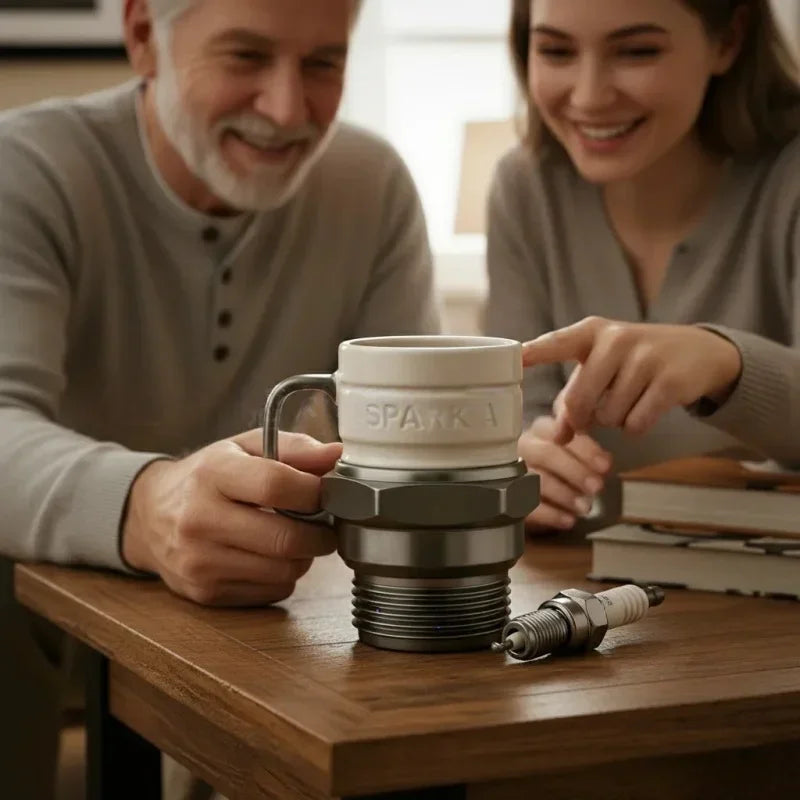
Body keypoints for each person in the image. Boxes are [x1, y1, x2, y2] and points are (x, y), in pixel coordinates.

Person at [0, 0, 439, 796]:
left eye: (323, 64)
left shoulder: (372, 187)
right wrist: (148, 504)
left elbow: (400, 448)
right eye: (244, 57)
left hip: (253, 622)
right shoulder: (25, 165)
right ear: (143, 37)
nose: (287, 109)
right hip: (36, 620)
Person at [485, 0, 800, 532]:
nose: (588, 96)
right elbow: (511, 423)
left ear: (728, 40)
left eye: (637, 51)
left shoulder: (787, 181)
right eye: (556, 50)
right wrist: (519, 465)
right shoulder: (525, 186)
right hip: (585, 596)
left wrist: (726, 363)